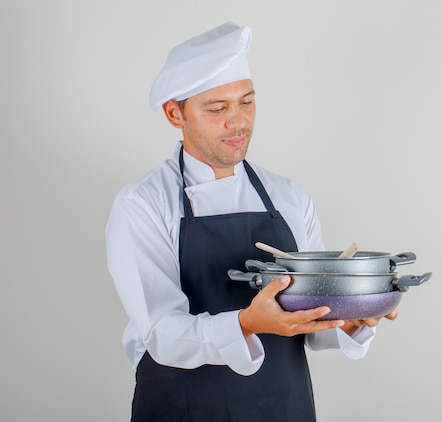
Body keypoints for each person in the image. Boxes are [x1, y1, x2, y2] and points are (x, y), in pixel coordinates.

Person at [106, 22, 397, 422]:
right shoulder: (142, 204)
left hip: (281, 404)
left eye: (246, 102)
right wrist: (245, 323)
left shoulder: (290, 197)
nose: (238, 121)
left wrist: (354, 316)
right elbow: (161, 333)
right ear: (176, 113)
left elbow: (314, 322)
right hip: (182, 407)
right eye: (218, 108)